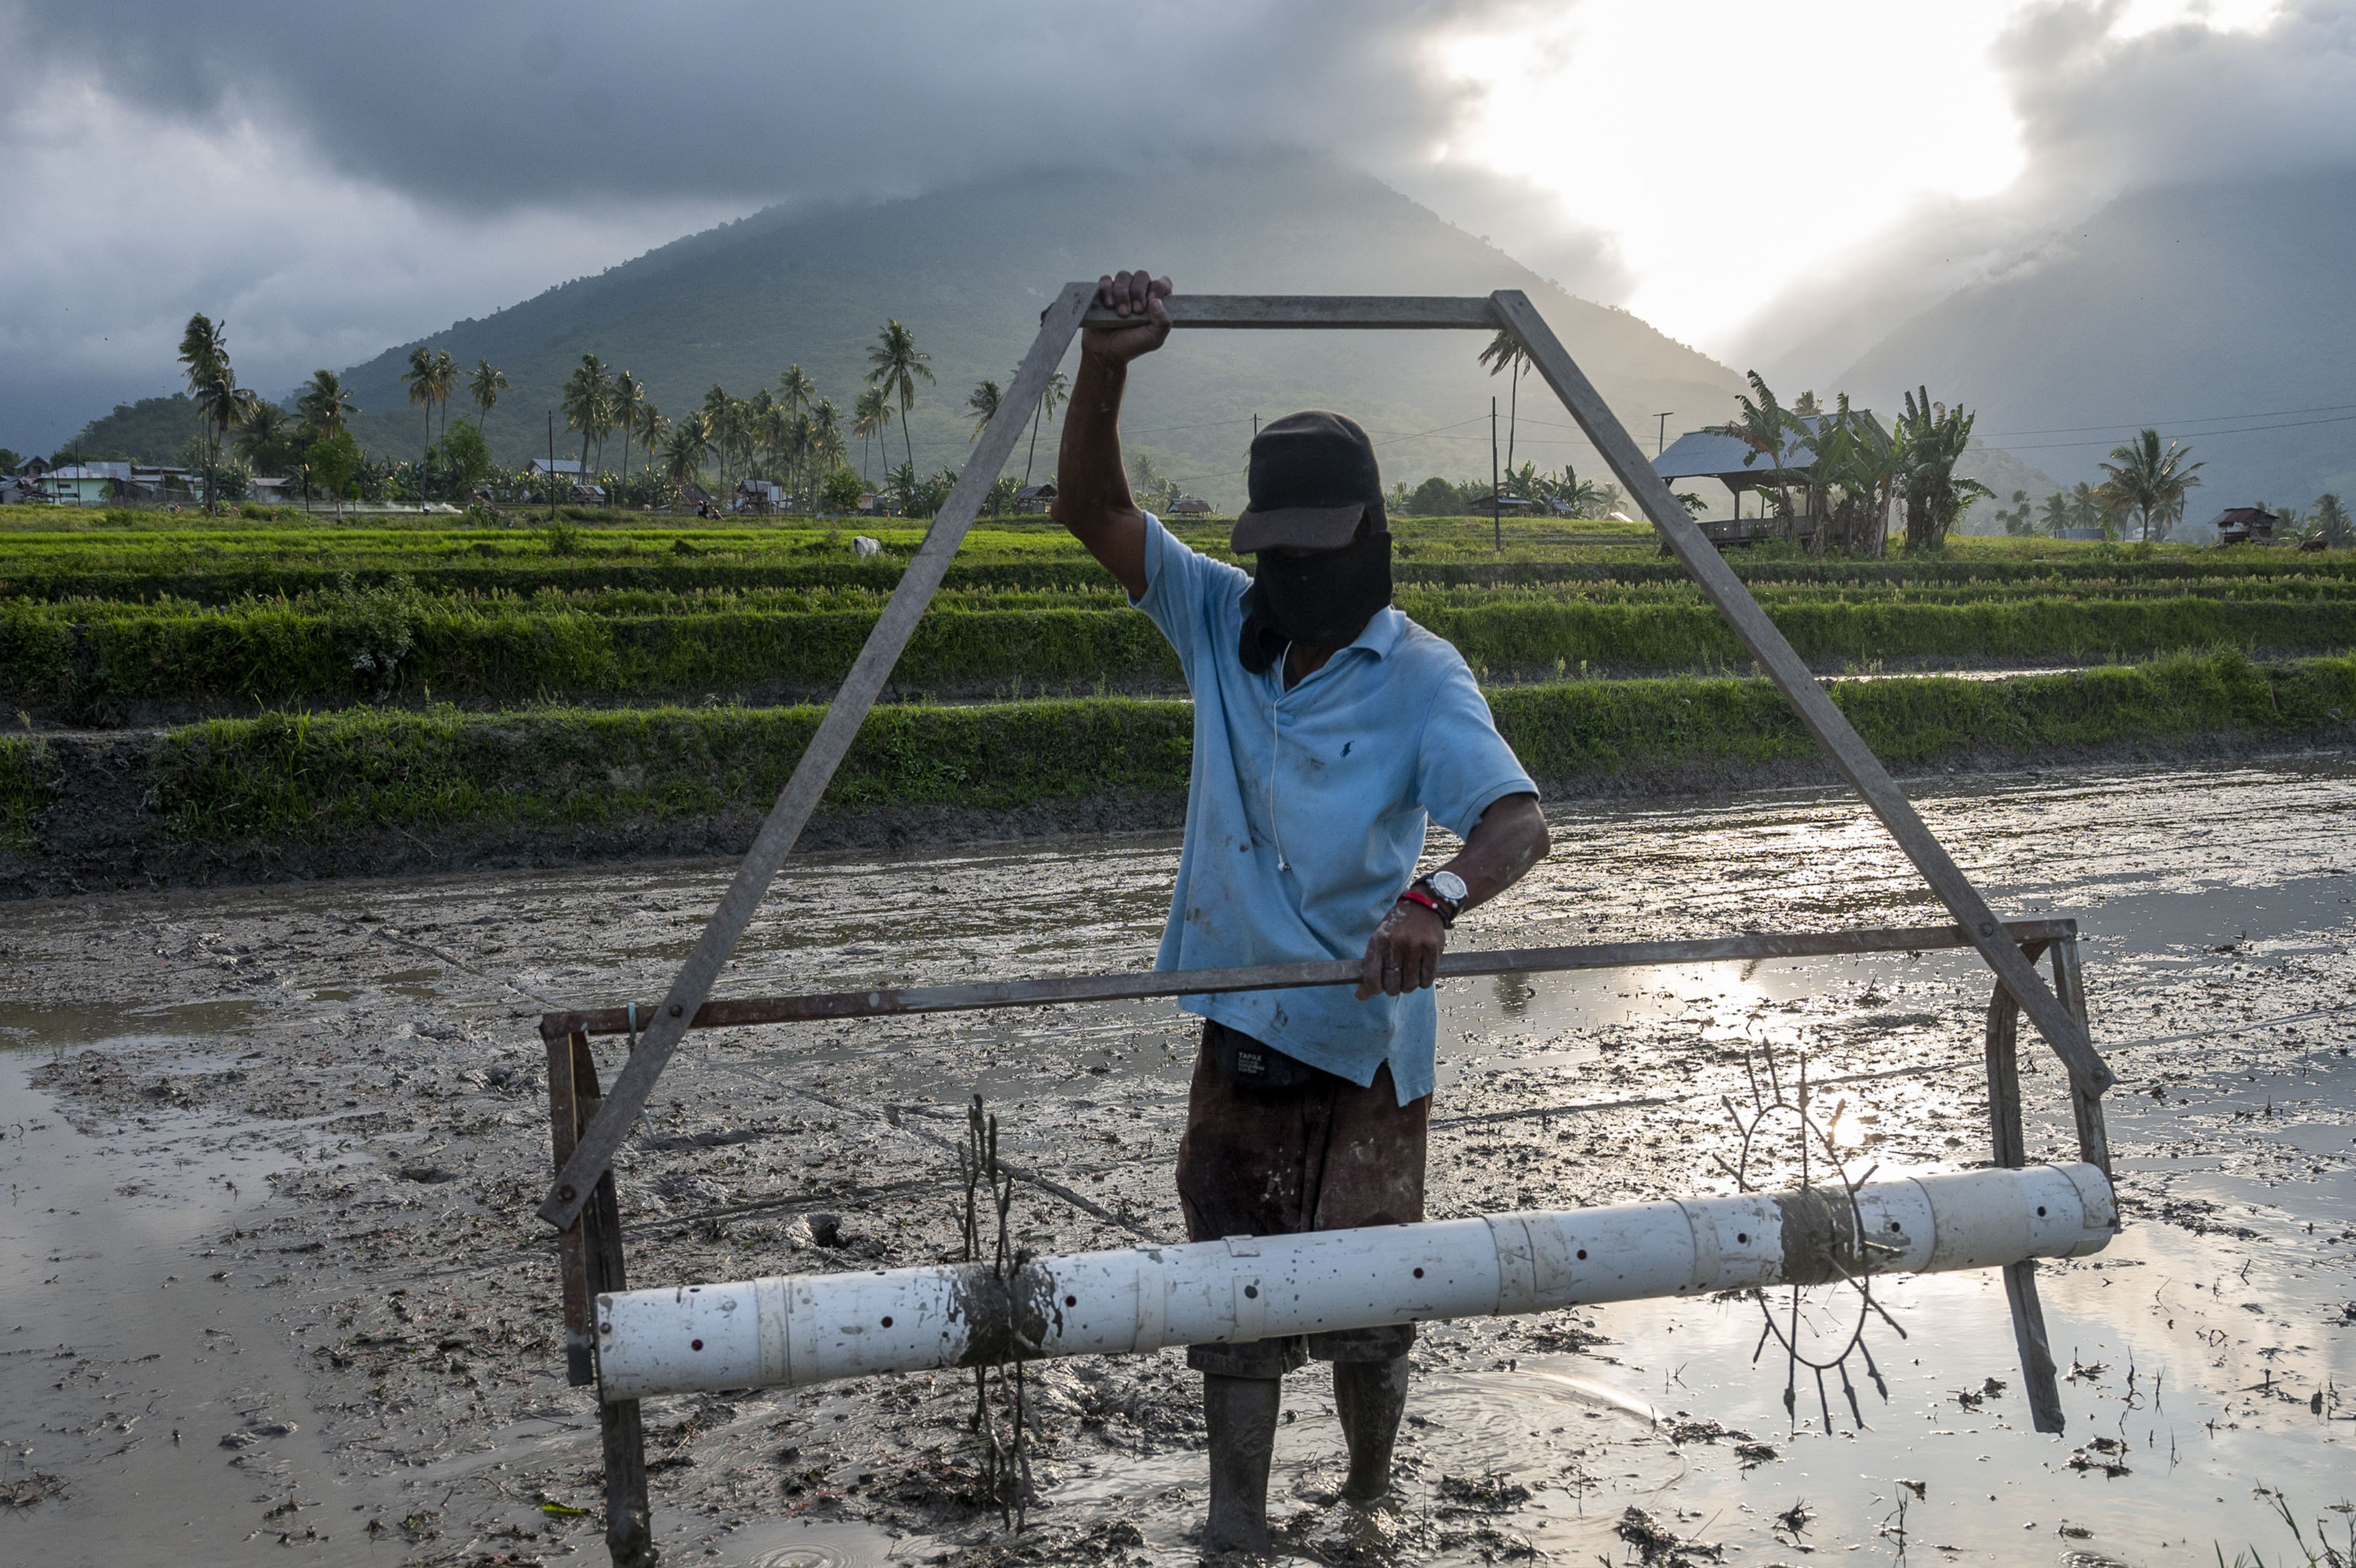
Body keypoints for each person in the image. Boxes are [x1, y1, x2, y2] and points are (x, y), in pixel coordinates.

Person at [1055, 269, 1552, 1553]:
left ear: (1367, 539)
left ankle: (1367, 1499)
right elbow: (1090, 508)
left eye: (1315, 553)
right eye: (1275, 550)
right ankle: (1234, 1525)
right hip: (1242, 1023)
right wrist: (1105, 362)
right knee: (1234, 1297)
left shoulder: (1420, 673)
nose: (1290, 574)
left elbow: (1514, 821)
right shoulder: (1219, 618)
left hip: (1368, 1039)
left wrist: (1432, 899)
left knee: (1370, 1296)